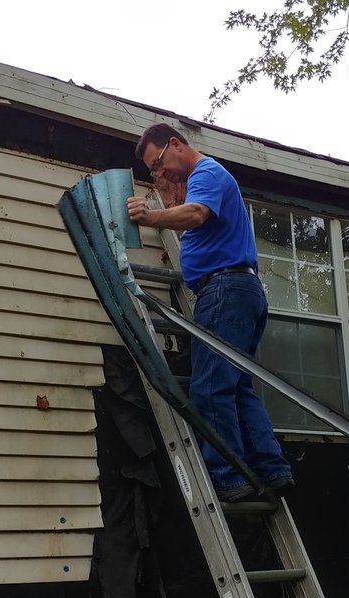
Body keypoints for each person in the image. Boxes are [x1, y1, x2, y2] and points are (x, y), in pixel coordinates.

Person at [126, 124, 293, 502]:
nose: (159, 172)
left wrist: (150, 217)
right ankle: (272, 468)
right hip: (239, 290)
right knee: (237, 386)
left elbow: (197, 213)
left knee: (210, 387)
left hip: (224, 290)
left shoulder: (207, 172)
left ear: (175, 144)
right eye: (153, 170)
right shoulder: (203, 179)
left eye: (158, 163)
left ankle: (227, 477)